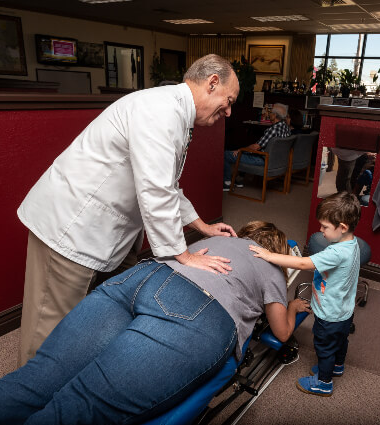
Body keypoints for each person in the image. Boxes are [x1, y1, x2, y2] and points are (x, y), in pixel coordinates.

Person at [16, 54, 241, 366]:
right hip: (70, 225)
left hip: (104, 230)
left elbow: (168, 185)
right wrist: (183, 254)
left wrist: (201, 226)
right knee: (47, 334)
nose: (228, 111)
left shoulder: (175, 113)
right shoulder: (160, 111)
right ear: (212, 83)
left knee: (104, 310)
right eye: (228, 100)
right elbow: (156, 190)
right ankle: (28, 402)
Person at [0, 222, 310, 424]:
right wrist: (293, 304)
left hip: (141, 277)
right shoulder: (270, 267)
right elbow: (281, 331)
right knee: (76, 408)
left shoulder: (218, 242)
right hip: (195, 311)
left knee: (32, 383)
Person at [250, 192, 361, 397]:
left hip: (329, 315)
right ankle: (337, 366)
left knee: (324, 347)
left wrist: (269, 255)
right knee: (341, 341)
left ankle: (323, 383)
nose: (321, 231)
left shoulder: (335, 253)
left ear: (343, 227)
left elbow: (303, 263)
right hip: (345, 312)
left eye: (325, 227)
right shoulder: (352, 243)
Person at [223, 103, 291, 190]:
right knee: (247, 152)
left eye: (271, 112)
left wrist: (240, 150)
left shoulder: (273, 130)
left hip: (263, 160)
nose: (269, 114)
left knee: (227, 154)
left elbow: (256, 147)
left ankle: (227, 183)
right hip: (277, 161)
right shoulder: (286, 128)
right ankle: (239, 180)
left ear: (274, 115)